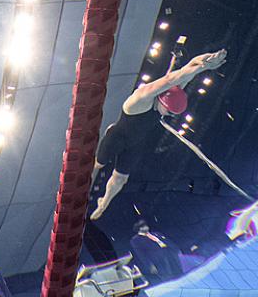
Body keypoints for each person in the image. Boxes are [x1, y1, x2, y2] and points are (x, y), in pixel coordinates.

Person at [90, 49, 227, 220]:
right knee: (98, 164)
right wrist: (200, 67)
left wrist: (206, 63)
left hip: (135, 143)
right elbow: (171, 78)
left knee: (120, 180)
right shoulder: (141, 98)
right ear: (162, 100)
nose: (169, 116)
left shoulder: (171, 94)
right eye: (169, 113)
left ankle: (103, 204)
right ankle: (85, 186)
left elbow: (188, 70)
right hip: (117, 136)